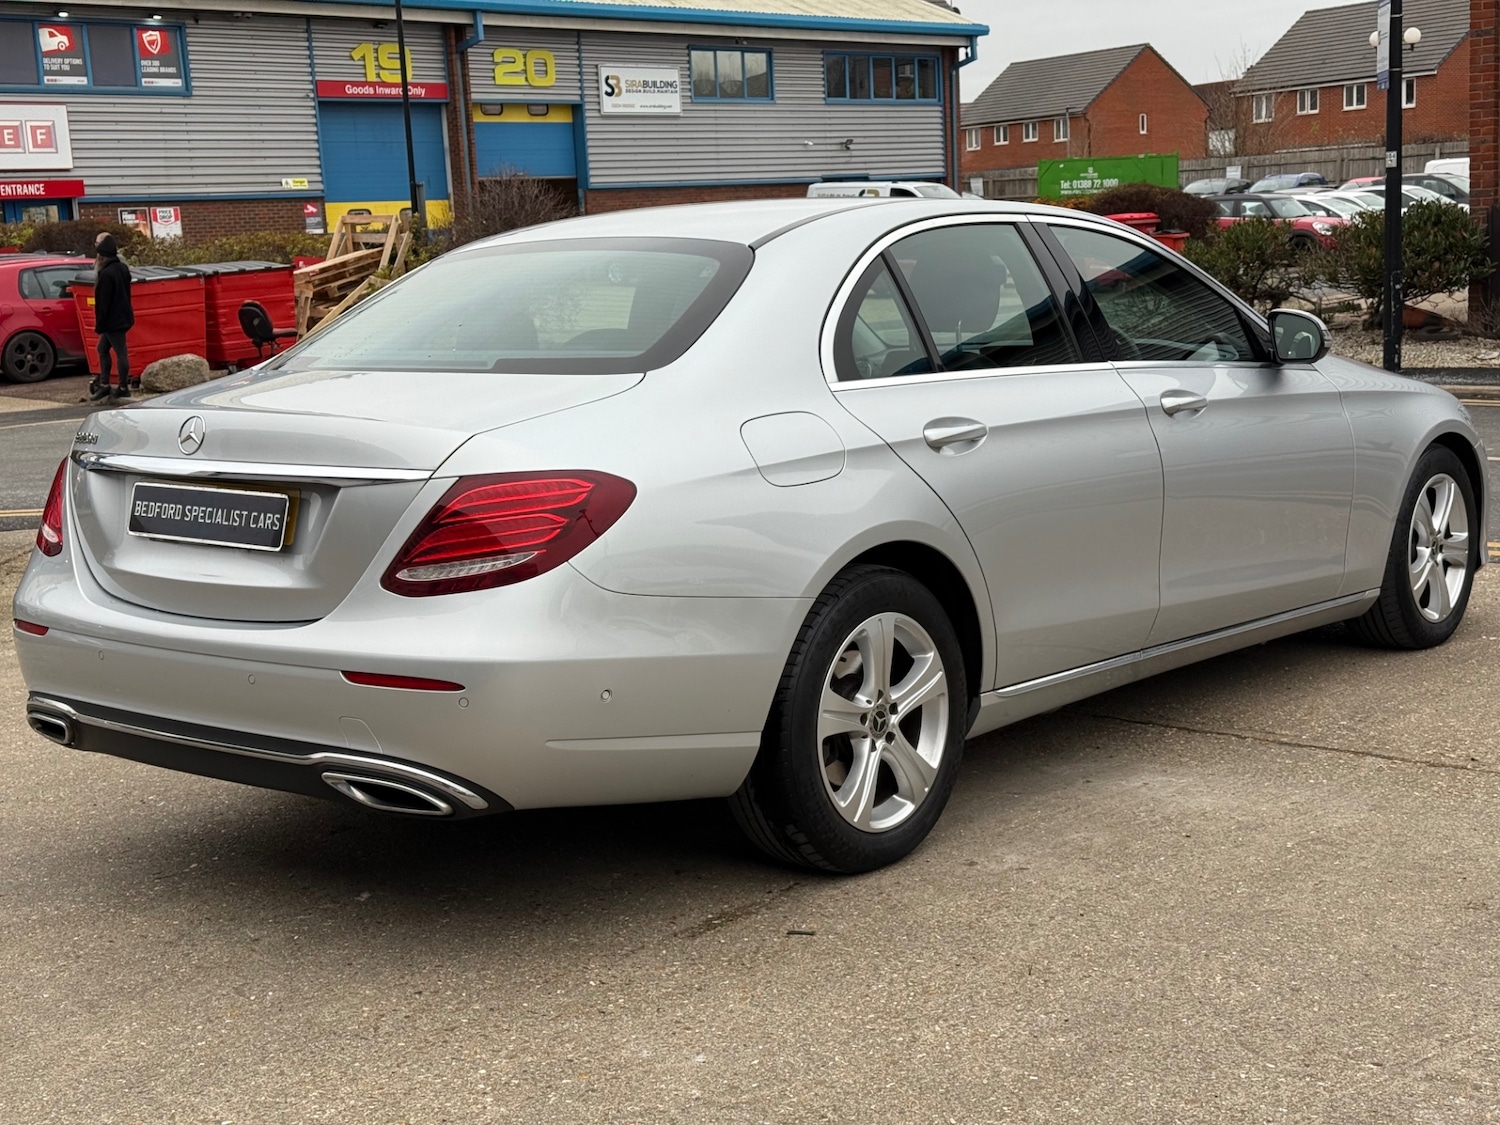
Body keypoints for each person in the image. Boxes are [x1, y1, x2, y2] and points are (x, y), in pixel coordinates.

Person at [91, 232, 134, 402]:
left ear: (102, 255)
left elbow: (103, 303)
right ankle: (104, 384)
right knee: (103, 349)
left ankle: (122, 387)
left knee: (120, 352)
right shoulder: (123, 269)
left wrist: (100, 325)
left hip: (112, 320)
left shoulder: (106, 274)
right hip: (124, 316)